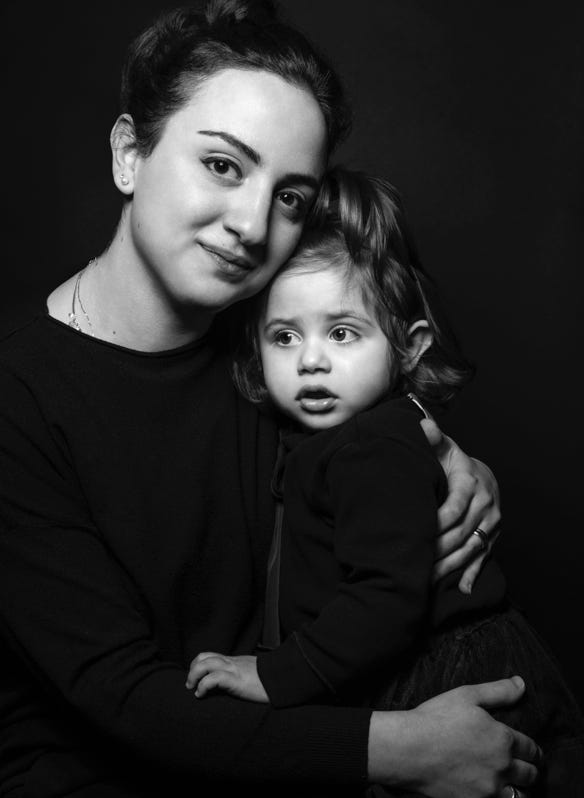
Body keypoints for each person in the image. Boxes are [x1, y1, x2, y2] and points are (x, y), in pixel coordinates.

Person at [0, 2, 540, 797]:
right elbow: (122, 697)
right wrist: (394, 750)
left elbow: (370, 449)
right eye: (223, 165)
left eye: (290, 197)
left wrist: (447, 458)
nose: (252, 224)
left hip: (284, 751)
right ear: (129, 154)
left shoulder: (275, 350)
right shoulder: (19, 396)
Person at [186, 166, 584, 793]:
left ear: (408, 346)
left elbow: (386, 598)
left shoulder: (371, 447)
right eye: (284, 336)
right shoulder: (328, 438)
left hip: (452, 667)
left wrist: (273, 675)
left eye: (343, 333)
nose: (311, 360)